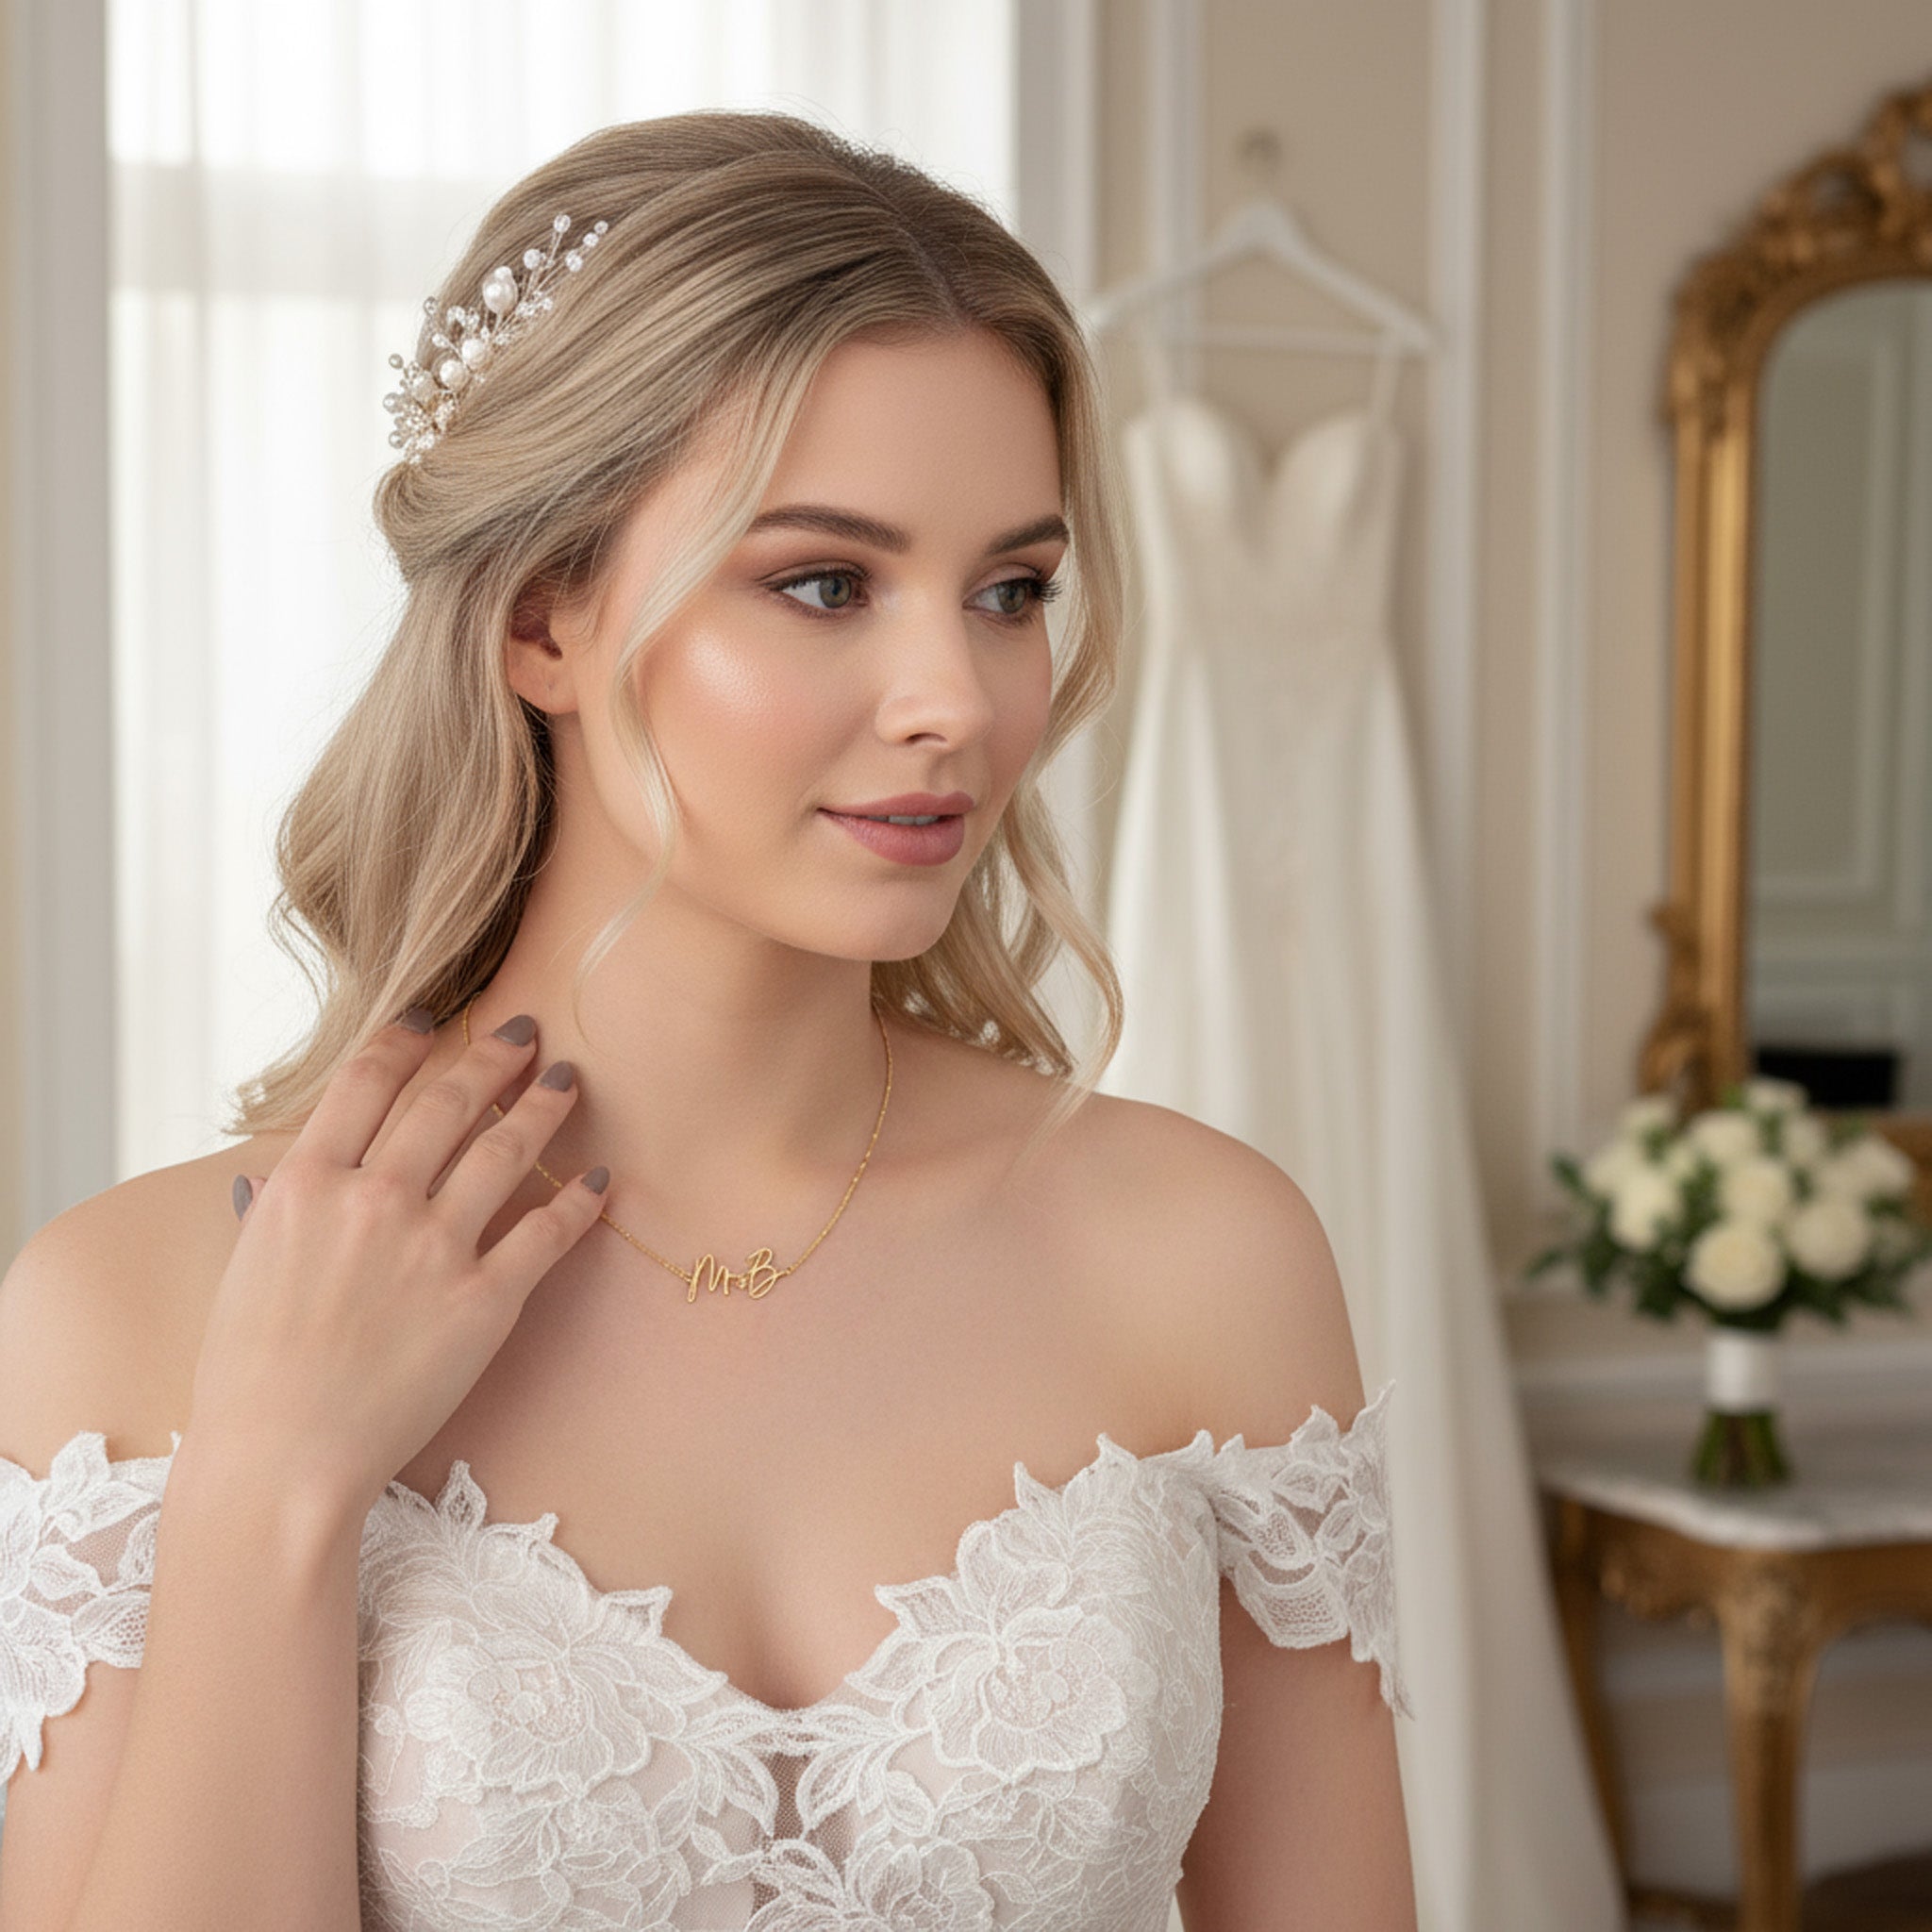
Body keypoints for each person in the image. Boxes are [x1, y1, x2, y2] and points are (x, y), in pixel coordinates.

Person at [0, 110, 1414, 1931]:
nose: (958, 700)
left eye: (1011, 591)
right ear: (542, 619)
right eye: (825, 582)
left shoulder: (1204, 1252)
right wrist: (275, 1477)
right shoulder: (133, 1314)